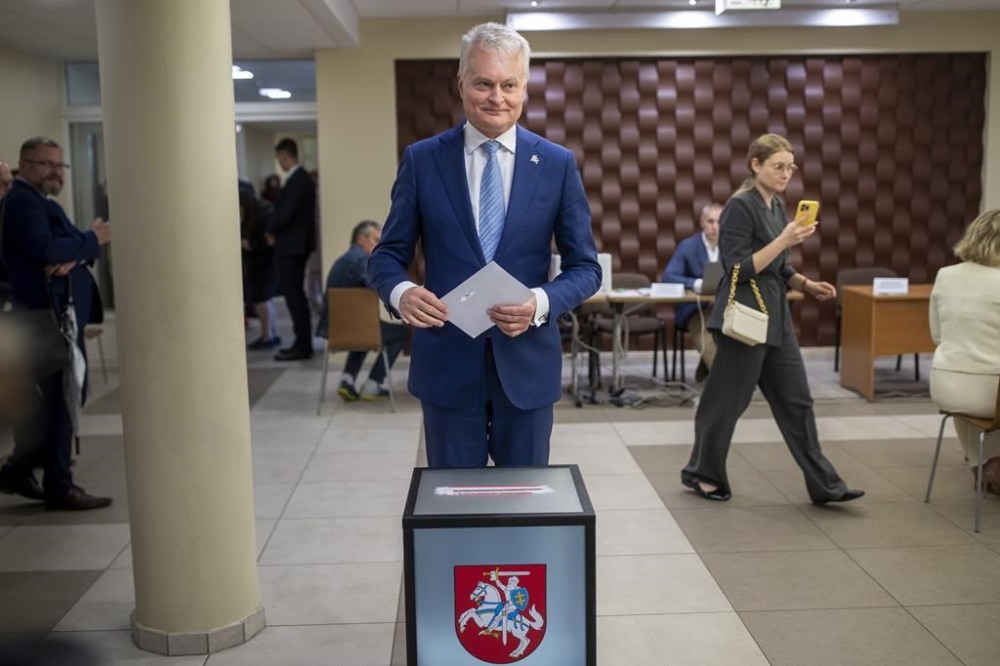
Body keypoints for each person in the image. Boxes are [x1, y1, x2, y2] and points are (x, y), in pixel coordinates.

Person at [368, 22, 601, 468]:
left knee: (524, 500)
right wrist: (402, 293)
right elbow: (386, 256)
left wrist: (538, 303)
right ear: (461, 84)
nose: (497, 97)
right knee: (454, 501)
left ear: (524, 87)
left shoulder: (556, 164)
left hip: (527, 367)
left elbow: (586, 268)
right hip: (447, 366)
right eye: (483, 84)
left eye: (509, 85)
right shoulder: (423, 160)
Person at [681, 133, 864, 505]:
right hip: (746, 318)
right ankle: (702, 473)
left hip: (776, 318)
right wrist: (784, 240)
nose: (786, 174)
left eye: (790, 168)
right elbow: (736, 269)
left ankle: (826, 485)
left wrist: (806, 284)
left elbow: (778, 266)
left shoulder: (777, 205)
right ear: (756, 165)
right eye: (778, 166)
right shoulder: (739, 206)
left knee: (798, 403)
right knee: (726, 403)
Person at [0, 137, 112, 510]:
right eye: (47, 164)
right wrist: (91, 240)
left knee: (60, 400)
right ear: (25, 164)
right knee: (60, 400)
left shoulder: (43, 203)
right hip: (43, 318)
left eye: (60, 165)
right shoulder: (22, 202)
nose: (56, 172)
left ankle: (22, 471)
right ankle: (58, 485)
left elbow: (68, 244)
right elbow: (49, 249)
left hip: (57, 317)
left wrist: (77, 252)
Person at [929, 209, 1000, 494]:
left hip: (946, 387)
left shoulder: (945, 275)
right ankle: (993, 464)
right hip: (993, 396)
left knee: (968, 396)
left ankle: (983, 463)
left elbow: (937, 335)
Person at [317, 220, 407, 401]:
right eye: (376, 240)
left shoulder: (345, 259)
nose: (379, 246)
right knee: (401, 333)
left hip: (335, 329)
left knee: (368, 330)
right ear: (360, 239)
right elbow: (377, 285)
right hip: (352, 328)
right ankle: (373, 384)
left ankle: (347, 380)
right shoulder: (361, 260)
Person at [266, 138, 316, 361]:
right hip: (295, 245)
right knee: (295, 294)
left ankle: (302, 344)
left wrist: (269, 228)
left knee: (294, 295)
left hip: (292, 246)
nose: (280, 163)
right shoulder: (301, 179)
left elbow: (285, 214)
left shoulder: (298, 180)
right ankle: (301, 342)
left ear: (285, 156)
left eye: (279, 158)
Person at [662, 202, 723, 381]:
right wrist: (696, 284)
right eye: (710, 221)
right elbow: (669, 277)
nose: (715, 227)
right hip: (696, 311)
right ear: (702, 222)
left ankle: (708, 370)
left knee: (739, 334)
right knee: (709, 335)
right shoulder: (688, 246)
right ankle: (724, 381)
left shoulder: (731, 246)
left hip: (724, 308)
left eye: (720, 222)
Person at [240, 190, 279, 350]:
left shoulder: (259, 218)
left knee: (261, 300)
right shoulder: (263, 213)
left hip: (260, 263)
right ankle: (271, 334)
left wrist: (246, 244)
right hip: (263, 263)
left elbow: (264, 243)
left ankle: (267, 336)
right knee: (265, 300)